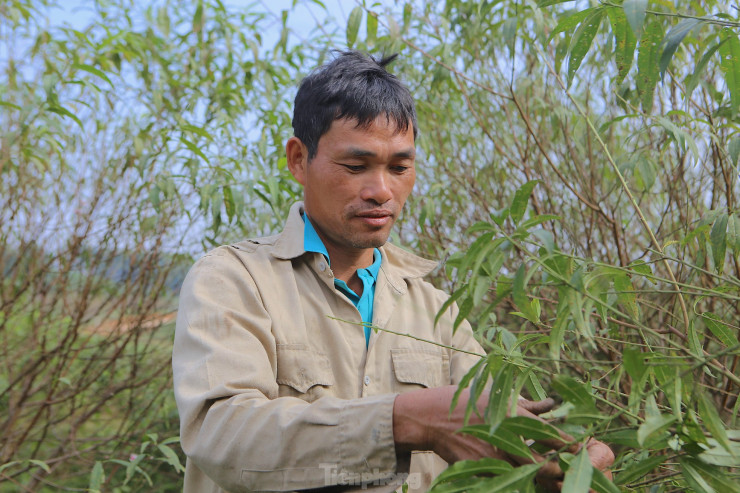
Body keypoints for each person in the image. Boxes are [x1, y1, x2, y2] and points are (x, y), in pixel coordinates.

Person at [172, 51, 613, 493]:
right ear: (298, 160)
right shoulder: (233, 280)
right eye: (356, 166)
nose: (382, 191)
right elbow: (222, 433)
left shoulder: (432, 308)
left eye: (400, 167)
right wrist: (406, 418)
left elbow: (497, 420)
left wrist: (564, 457)